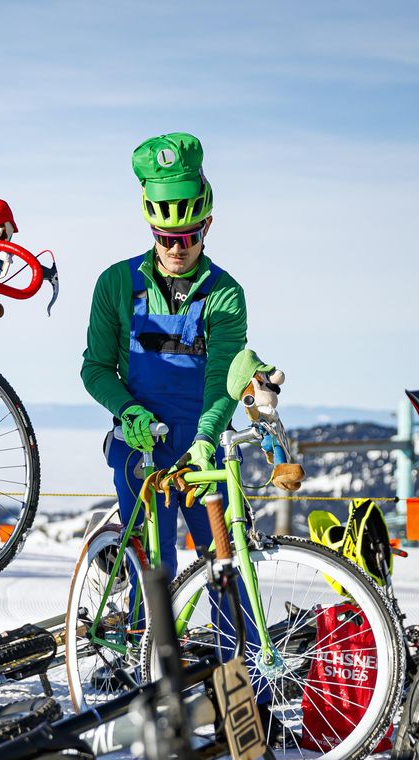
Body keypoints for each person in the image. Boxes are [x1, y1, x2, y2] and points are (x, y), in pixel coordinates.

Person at [81, 131, 247, 582]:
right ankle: (140, 631)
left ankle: (233, 636)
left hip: (202, 447)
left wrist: (207, 437)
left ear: (207, 226)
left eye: (188, 236)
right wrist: (127, 409)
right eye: (165, 237)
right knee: (155, 570)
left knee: (227, 566)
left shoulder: (225, 293)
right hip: (140, 446)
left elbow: (223, 375)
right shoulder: (116, 284)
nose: (177, 248)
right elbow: (96, 367)